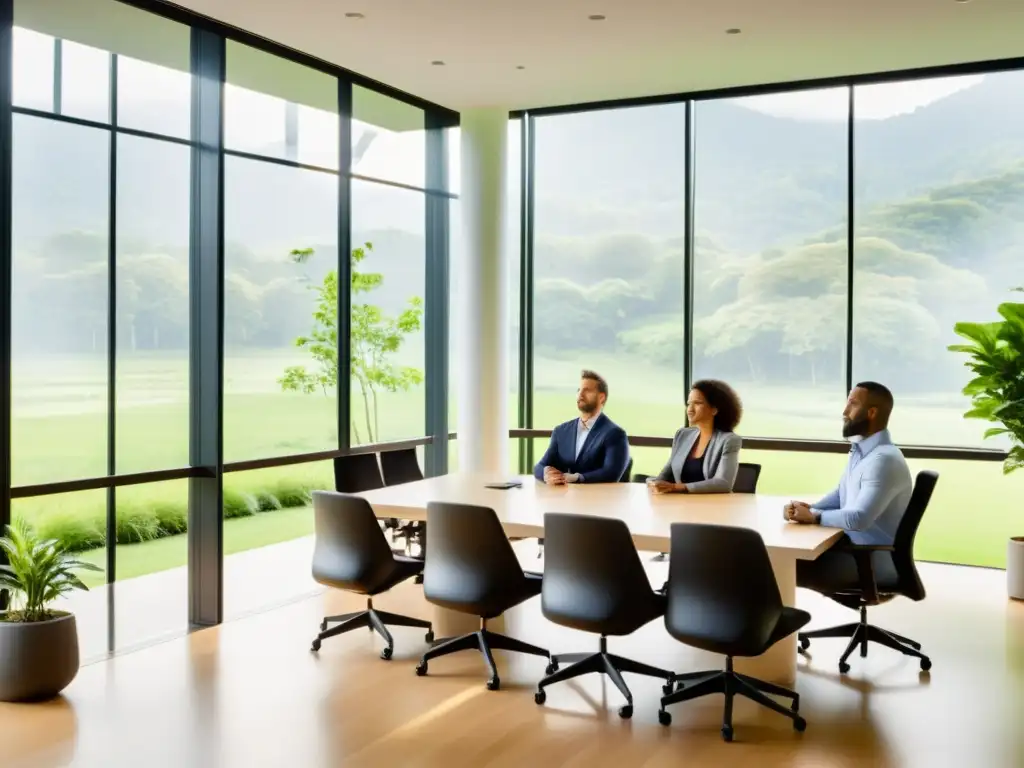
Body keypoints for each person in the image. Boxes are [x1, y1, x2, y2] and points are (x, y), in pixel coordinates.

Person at [785, 381, 913, 590]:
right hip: (854, 549)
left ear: (871, 412)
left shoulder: (883, 459)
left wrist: (815, 517)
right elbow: (841, 495)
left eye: (852, 404)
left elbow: (858, 518)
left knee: (776, 564)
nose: (844, 412)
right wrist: (808, 509)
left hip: (870, 562)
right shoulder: (861, 451)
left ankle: (772, 622)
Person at [533, 369, 630, 485]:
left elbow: (611, 473)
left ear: (601, 398)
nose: (581, 394)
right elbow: (539, 466)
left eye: (587, 390)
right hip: (562, 499)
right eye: (579, 390)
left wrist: (576, 478)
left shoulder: (615, 434)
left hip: (598, 500)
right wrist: (546, 473)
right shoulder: (561, 431)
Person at [650, 379, 743, 494]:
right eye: (689, 403)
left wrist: (677, 487)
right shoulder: (683, 435)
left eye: (698, 403)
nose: (690, 409)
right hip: (680, 506)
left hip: (714, 507)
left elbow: (723, 483)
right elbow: (667, 474)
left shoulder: (729, 440)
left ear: (714, 409)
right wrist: (656, 483)